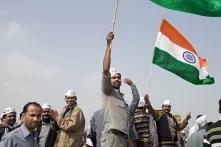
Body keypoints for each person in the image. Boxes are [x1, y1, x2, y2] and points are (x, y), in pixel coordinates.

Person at [100, 32, 140, 147]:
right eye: (113, 78)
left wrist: (129, 141)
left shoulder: (122, 99)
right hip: (111, 138)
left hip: (123, 139)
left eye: (118, 77)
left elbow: (125, 123)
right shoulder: (108, 91)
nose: (116, 79)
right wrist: (108, 45)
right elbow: (106, 70)